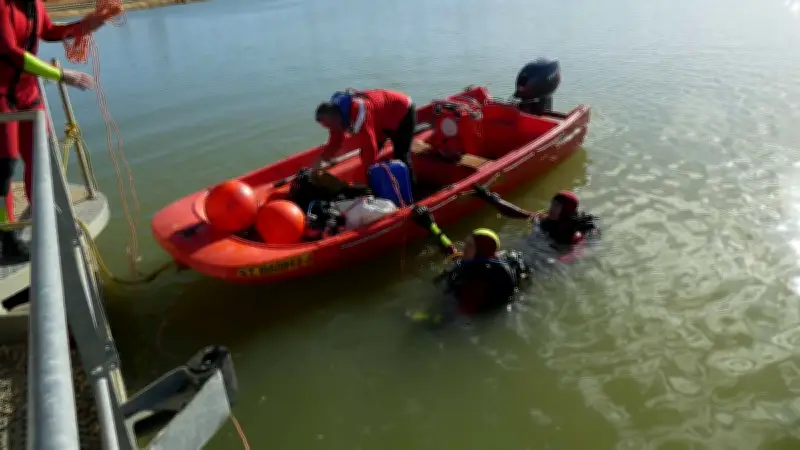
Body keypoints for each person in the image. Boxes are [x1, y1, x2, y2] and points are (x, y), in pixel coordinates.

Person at [0, 0, 120, 258]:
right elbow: (9, 51)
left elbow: (49, 31)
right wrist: (60, 75)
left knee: (42, 159)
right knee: (4, 167)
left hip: (28, 94)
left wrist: (85, 26)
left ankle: (45, 217)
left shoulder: (35, 5)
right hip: (1, 99)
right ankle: (6, 234)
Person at [411, 205, 530, 318]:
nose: (464, 249)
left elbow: (461, 313)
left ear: (481, 251)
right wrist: (431, 225)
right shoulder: (488, 261)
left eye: (469, 246)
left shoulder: (477, 281)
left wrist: (428, 321)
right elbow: (452, 251)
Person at [315, 89, 416, 183]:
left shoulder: (359, 114)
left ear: (335, 117)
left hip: (402, 111)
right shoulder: (335, 116)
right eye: (327, 126)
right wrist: (321, 160)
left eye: (330, 125)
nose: (330, 128)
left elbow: (370, 148)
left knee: (401, 156)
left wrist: (367, 180)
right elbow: (336, 140)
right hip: (381, 120)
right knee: (366, 156)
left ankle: (412, 190)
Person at [472, 184, 598, 247]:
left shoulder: (573, 233)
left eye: (558, 206)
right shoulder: (545, 218)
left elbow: (576, 252)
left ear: (566, 211)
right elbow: (518, 213)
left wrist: (559, 262)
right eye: (553, 204)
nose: (552, 208)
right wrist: (491, 199)